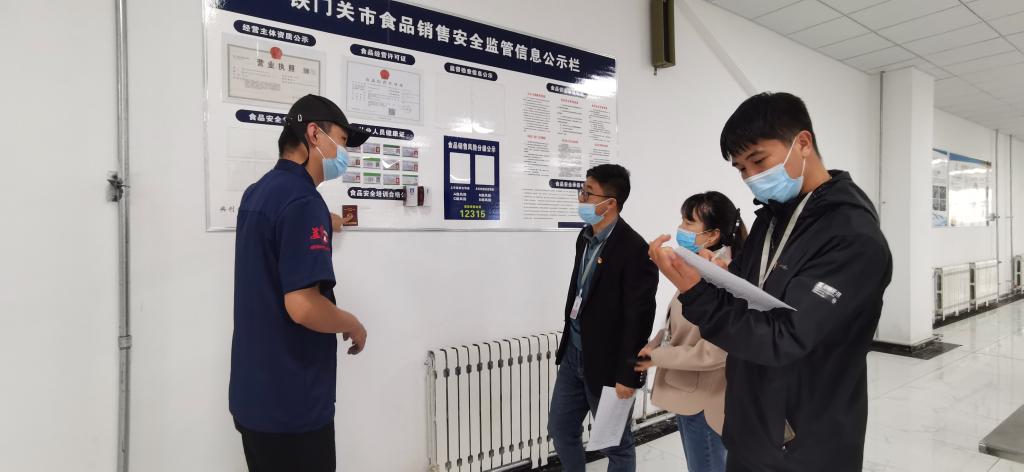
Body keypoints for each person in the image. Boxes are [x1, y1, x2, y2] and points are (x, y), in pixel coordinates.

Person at [648, 92, 892, 472]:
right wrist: (713, 278)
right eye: (741, 169)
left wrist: (697, 294)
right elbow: (749, 297)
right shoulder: (772, 219)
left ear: (803, 143)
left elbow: (785, 337)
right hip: (750, 423)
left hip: (805, 442)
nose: (751, 177)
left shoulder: (852, 235)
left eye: (758, 160)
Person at [229, 94, 371, 472]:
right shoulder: (303, 202)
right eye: (342, 141)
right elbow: (303, 306)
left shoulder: (259, 192)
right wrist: (353, 324)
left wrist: (330, 221)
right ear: (314, 135)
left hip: (254, 397)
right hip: (292, 405)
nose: (344, 154)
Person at [548, 164, 659, 472]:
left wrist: (629, 375)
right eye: (582, 191)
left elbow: (639, 319)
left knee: (616, 444)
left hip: (609, 364)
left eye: (587, 193)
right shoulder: (585, 237)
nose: (581, 198)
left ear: (610, 203)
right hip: (574, 354)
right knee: (560, 429)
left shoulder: (635, 250)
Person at [635, 191, 747, 472]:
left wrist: (656, 357)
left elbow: (715, 352)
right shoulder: (697, 267)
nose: (680, 229)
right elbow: (677, 323)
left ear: (712, 235)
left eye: (688, 223)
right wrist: (655, 343)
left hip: (705, 400)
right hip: (688, 394)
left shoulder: (722, 278)